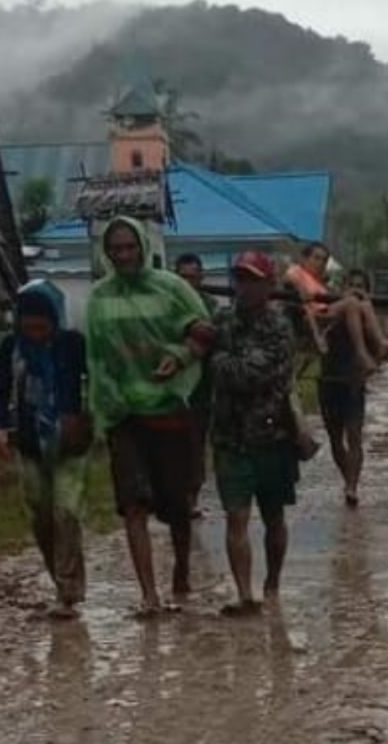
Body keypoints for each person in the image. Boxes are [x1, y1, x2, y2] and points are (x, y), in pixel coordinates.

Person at [86, 216, 215, 618]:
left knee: (177, 505)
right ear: (107, 253)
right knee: (133, 504)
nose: (123, 254)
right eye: (116, 249)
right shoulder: (99, 299)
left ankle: (180, 569)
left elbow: (205, 332)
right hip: (124, 415)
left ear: (143, 247)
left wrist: (179, 358)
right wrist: (107, 403)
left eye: (129, 247)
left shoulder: (172, 288)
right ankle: (148, 594)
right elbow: (97, 358)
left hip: (171, 411)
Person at [0, 281, 90, 620]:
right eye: (28, 326)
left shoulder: (73, 345)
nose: (35, 333)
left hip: (70, 443)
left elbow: (96, 380)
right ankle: (59, 578)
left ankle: (68, 590)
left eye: (41, 326)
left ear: (54, 320)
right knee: (41, 514)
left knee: (66, 511)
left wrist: (90, 415)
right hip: (30, 442)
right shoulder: (11, 349)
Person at [208, 252, 298, 616]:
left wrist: (218, 361)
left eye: (253, 280)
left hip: (272, 438)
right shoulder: (221, 321)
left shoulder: (279, 328)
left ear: (268, 285)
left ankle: (272, 582)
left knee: (274, 516)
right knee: (236, 516)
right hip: (230, 438)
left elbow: (254, 376)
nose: (245, 287)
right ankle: (244, 593)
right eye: (240, 279)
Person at [285, 242, 388, 375]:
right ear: (304, 259)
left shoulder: (320, 281)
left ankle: (380, 342)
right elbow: (290, 277)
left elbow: (330, 298)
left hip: (327, 313)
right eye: (316, 258)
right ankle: (361, 354)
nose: (320, 263)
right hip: (311, 317)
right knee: (351, 302)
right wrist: (300, 288)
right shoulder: (298, 271)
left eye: (324, 260)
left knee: (363, 303)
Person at [320, 268, 378, 508]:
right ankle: (348, 479)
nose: (355, 290)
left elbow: (378, 352)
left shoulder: (368, 318)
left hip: (353, 383)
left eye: (360, 286)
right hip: (329, 381)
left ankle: (352, 485)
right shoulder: (333, 311)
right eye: (351, 284)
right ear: (343, 288)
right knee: (335, 439)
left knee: (354, 436)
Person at [175, 253, 218, 516]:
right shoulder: (166, 305)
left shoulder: (209, 306)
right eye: (183, 278)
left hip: (201, 388)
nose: (189, 283)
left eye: (193, 277)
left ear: (201, 278)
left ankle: (191, 497)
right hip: (168, 387)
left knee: (195, 445)